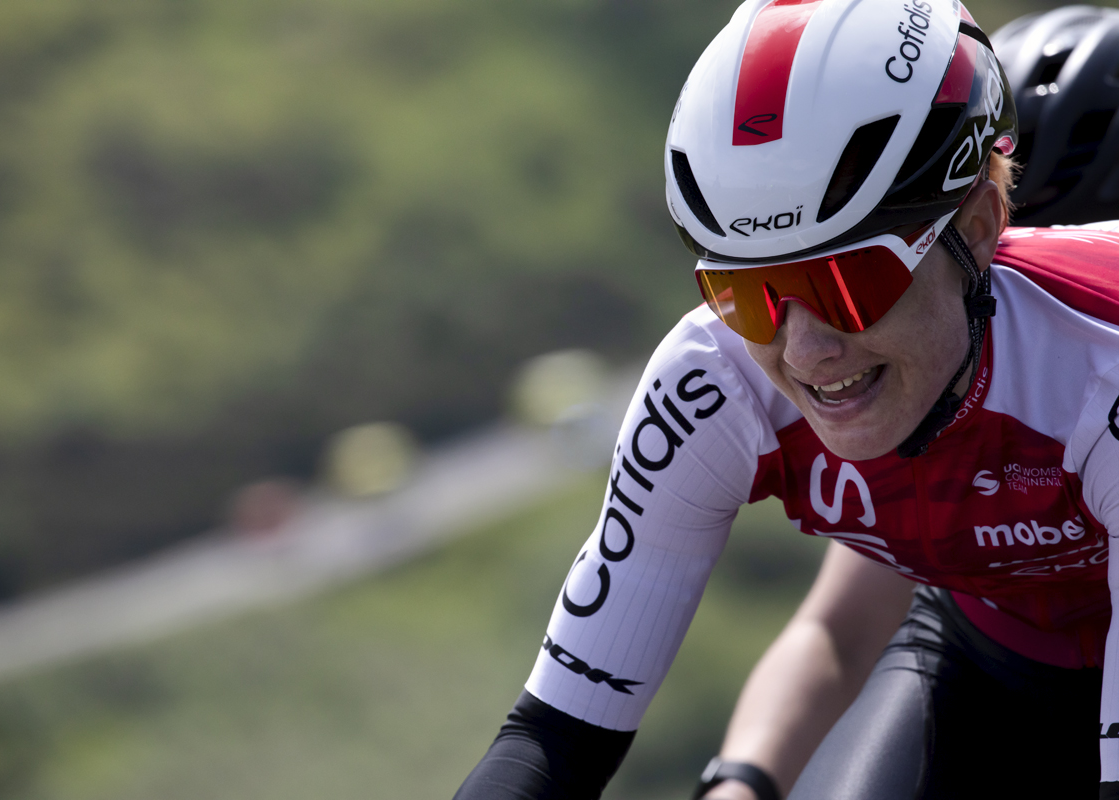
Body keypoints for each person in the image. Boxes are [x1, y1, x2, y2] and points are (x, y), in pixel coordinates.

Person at [454, 1, 1119, 798]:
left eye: (846, 284)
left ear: (977, 228)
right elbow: (555, 737)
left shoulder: (1096, 360)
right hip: (990, 654)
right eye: (746, 294)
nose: (804, 352)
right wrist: (742, 781)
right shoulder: (713, 382)